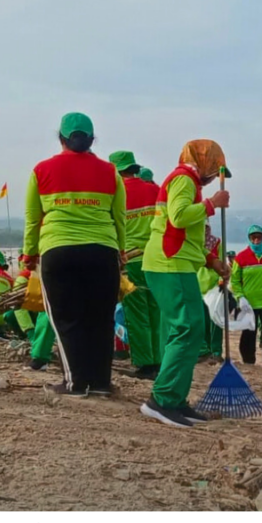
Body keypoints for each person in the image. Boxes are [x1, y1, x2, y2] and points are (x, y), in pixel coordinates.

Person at [22, 112, 125, 397]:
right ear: (92, 140)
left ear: (61, 138)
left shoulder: (41, 170)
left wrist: (28, 254)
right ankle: (101, 383)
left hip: (59, 251)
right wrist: (121, 251)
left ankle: (76, 382)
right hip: (102, 252)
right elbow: (119, 218)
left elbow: (33, 218)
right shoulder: (110, 172)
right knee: (101, 319)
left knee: (67, 320)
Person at [140, 139, 231, 427]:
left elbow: (186, 235)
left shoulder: (190, 182)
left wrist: (211, 260)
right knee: (187, 327)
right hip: (169, 264)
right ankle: (162, 399)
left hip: (176, 262)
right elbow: (177, 219)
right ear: (203, 162)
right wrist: (211, 204)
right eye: (215, 167)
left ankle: (176, 398)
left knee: (190, 329)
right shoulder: (183, 179)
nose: (215, 173)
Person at [110, 150, 161, 379]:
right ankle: (159, 360)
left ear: (118, 171)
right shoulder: (155, 190)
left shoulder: (116, 192)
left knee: (137, 314)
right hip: (157, 261)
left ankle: (144, 364)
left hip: (131, 261)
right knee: (156, 312)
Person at [231, 225, 262, 370]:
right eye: (254, 237)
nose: (257, 240)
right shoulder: (241, 257)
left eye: (259, 237)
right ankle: (248, 360)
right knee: (248, 333)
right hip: (249, 302)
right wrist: (240, 296)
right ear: (250, 238)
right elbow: (235, 280)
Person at [198, 224, 225, 362]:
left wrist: (221, 280)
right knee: (201, 321)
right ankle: (204, 350)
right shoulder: (193, 241)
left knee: (215, 321)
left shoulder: (216, 242)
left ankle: (216, 351)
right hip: (197, 285)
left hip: (213, 286)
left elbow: (222, 263)